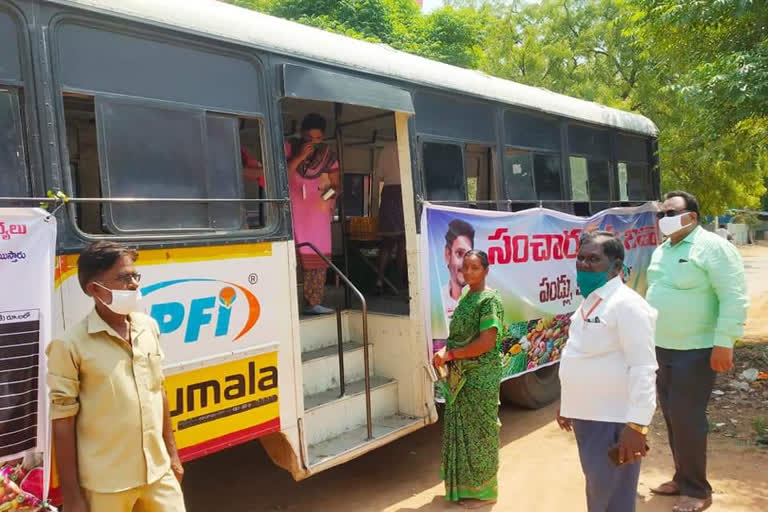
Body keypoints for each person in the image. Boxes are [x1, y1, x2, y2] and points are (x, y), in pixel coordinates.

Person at [46, 241, 186, 512]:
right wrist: (72, 495)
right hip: (105, 485)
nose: (133, 284)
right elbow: (62, 422)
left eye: (135, 276)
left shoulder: (148, 327)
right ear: (95, 289)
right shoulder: (70, 345)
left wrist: (173, 455)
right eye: (123, 278)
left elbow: (160, 390)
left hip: (159, 475)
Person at [646, 191, 748, 512]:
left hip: (698, 349)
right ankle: (682, 476)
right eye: (661, 213)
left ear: (692, 216)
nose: (664, 218)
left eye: (671, 212)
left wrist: (724, 342)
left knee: (687, 418)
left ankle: (697, 490)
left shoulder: (714, 248)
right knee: (672, 415)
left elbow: (733, 296)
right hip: (662, 348)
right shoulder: (663, 249)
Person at [557, 231, 658, 512]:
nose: (584, 265)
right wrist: (568, 403)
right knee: (599, 491)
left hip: (613, 419)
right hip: (588, 415)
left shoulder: (628, 305)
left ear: (615, 267)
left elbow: (644, 367)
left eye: (594, 259)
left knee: (614, 497)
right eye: (580, 258)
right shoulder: (592, 301)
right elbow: (579, 354)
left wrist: (637, 425)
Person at [433, 250, 504, 509]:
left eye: (475, 268)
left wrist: (452, 353)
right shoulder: (466, 295)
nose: (469, 273)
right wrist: (445, 351)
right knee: (461, 431)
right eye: (465, 268)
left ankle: (485, 492)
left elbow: (487, 342)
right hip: (460, 376)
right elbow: (457, 335)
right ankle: (463, 487)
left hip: (480, 377)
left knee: (481, 434)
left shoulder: (489, 301)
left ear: (486, 270)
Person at [287, 113, 340, 315]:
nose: (315, 143)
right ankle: (285, 304)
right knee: (289, 256)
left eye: (318, 139)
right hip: (292, 210)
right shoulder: (289, 147)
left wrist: (324, 198)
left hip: (316, 214)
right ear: (302, 135)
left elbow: (336, 186)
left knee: (317, 257)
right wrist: (300, 156)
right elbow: (282, 176)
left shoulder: (328, 155)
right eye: (310, 139)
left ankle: (313, 303)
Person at [373, 141, 406, 294]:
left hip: (389, 193)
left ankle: (379, 280)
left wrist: (374, 201)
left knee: (387, 243)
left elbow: (378, 174)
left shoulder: (386, 148)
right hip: (404, 192)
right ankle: (400, 281)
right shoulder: (409, 145)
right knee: (403, 243)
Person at [442, 219, 475, 323]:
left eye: (469, 255)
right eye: (460, 254)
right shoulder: (437, 299)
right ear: (448, 255)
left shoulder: (482, 298)